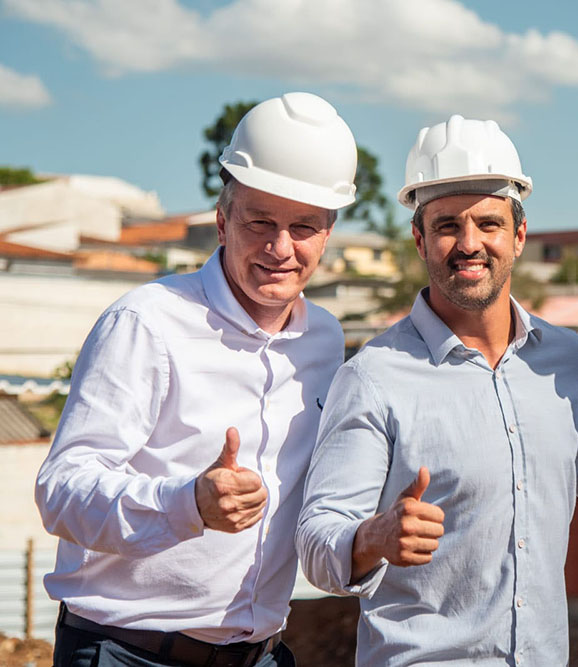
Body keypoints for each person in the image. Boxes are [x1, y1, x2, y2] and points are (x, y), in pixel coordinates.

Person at [296, 114, 578, 665]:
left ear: (518, 236)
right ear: (419, 238)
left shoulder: (562, 359)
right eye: (447, 226)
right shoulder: (373, 378)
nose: (469, 244)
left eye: (488, 224)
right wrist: (372, 539)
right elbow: (318, 540)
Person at [35, 92, 358, 667]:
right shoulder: (147, 322)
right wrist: (187, 503)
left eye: (303, 227)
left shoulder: (326, 341)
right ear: (221, 220)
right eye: (260, 221)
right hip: (125, 653)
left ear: (327, 233)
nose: (280, 248)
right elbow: (62, 491)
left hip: (259, 654)